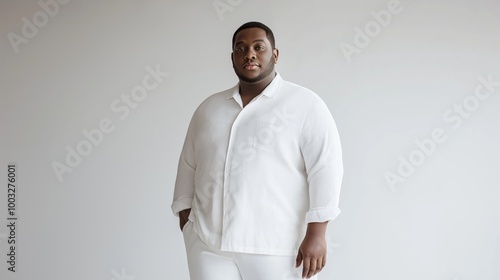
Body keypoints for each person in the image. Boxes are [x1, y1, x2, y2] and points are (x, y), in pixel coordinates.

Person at [171, 21, 343, 280]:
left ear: (274, 54)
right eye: (240, 49)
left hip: (278, 248)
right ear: (232, 58)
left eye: (258, 47)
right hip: (209, 247)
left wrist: (317, 234)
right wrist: (187, 222)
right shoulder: (209, 108)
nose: (249, 54)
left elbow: (325, 168)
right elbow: (189, 164)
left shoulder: (305, 104)